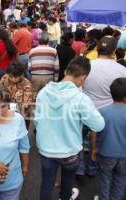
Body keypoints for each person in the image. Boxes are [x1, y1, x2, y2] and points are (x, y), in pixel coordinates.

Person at [34, 56, 105, 200]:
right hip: (70, 151)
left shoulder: (43, 92)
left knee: (47, 183)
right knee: (67, 183)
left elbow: (37, 121)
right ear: (83, 77)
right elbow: (99, 125)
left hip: (46, 148)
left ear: (66, 71)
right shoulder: (80, 98)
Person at [90, 78, 126, 200]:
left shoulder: (102, 111)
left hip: (106, 153)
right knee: (121, 179)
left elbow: (93, 132)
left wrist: (94, 149)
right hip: (124, 155)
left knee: (104, 179)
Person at [83, 36, 126, 109]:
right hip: (110, 113)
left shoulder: (85, 67)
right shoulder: (122, 70)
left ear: (97, 48)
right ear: (114, 50)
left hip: (87, 110)